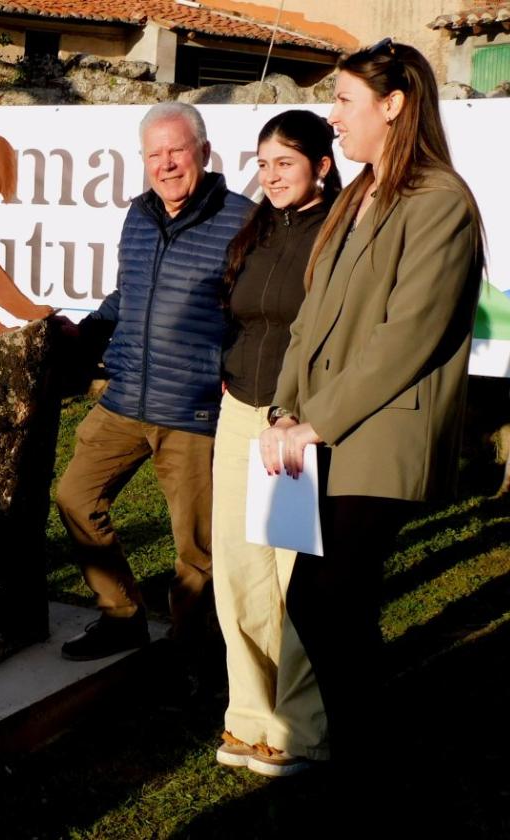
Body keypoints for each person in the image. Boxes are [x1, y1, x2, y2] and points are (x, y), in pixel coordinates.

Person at [258, 40, 485, 766]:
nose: (334, 116)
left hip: (379, 438)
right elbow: (313, 313)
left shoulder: (440, 202)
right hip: (321, 432)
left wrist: (317, 419)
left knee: (328, 604)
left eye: (346, 101)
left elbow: (406, 336)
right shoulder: (356, 196)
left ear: (393, 106)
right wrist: (286, 408)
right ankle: (366, 752)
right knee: (320, 607)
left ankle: (369, 760)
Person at [55, 102, 253, 661]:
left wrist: (231, 374)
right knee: (75, 497)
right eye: (154, 155)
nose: (166, 164)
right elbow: (130, 293)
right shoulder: (139, 216)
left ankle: (188, 654)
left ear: (204, 154)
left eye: (177, 151)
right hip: (124, 399)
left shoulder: (242, 221)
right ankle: (121, 617)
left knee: (197, 548)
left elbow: (255, 313)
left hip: (192, 411)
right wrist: (90, 331)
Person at [211, 110, 340, 777]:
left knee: (292, 576)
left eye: (285, 162)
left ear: (321, 164)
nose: (272, 176)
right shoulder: (255, 229)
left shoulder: (343, 231)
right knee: (238, 572)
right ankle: (249, 717)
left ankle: (301, 725)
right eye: (263, 164)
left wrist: (302, 417)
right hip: (239, 413)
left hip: (299, 419)